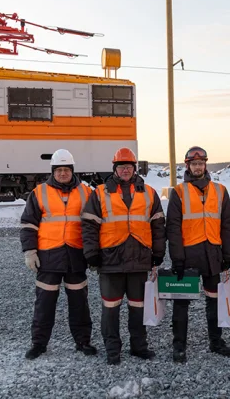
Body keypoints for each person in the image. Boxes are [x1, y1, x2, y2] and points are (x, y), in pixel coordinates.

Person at [81, 147, 166, 365]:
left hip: (139, 259)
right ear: (115, 169)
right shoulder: (100, 193)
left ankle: (139, 347)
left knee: (138, 307)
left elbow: (158, 225)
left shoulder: (149, 193)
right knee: (110, 309)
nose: (125, 170)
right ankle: (112, 350)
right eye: (121, 167)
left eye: (129, 166)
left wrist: (158, 253)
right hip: (110, 260)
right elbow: (89, 226)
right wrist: (91, 253)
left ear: (134, 168)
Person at [19, 149, 96, 359]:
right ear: (53, 171)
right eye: (59, 170)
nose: (63, 173)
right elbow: (28, 224)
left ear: (73, 170)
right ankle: (39, 344)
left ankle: (83, 341)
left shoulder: (86, 192)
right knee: (44, 304)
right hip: (48, 257)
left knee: (79, 303)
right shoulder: (39, 192)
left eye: (66, 170)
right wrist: (30, 251)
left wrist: (94, 253)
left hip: (76, 256)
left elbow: (95, 225)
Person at [166, 146, 230, 363]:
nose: (198, 167)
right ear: (187, 166)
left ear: (205, 165)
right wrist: (177, 258)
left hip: (212, 253)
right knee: (181, 302)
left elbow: (227, 225)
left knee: (214, 299)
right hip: (188, 254)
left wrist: (228, 255)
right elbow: (173, 228)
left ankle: (216, 342)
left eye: (201, 163)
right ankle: (179, 346)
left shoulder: (220, 191)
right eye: (194, 164)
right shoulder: (179, 192)